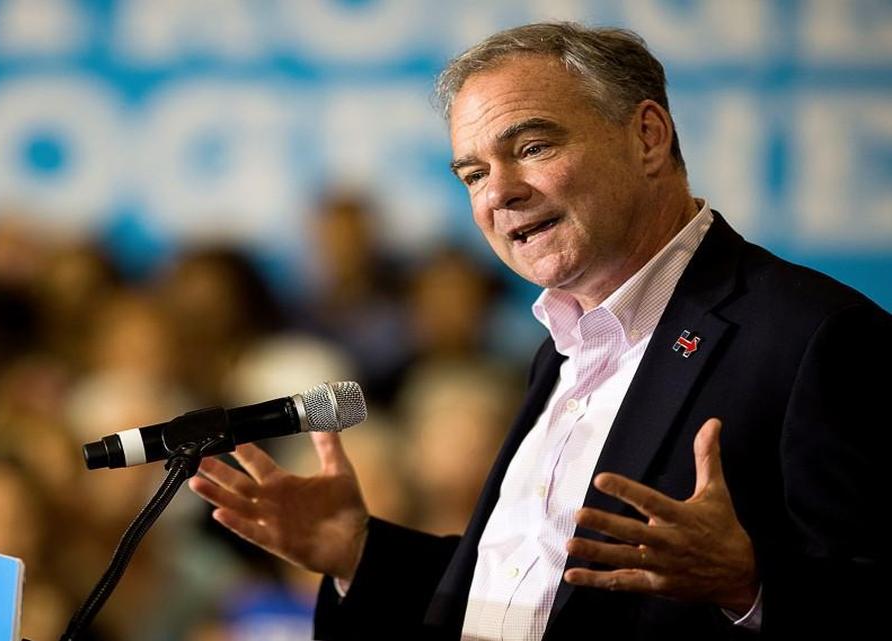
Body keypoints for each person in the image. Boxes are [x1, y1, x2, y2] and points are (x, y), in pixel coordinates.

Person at [187, 22, 889, 640]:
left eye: (531, 146)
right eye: (472, 173)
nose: (498, 192)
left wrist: (750, 585)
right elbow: (535, 593)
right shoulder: (561, 348)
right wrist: (358, 550)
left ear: (648, 136)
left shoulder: (817, 337)